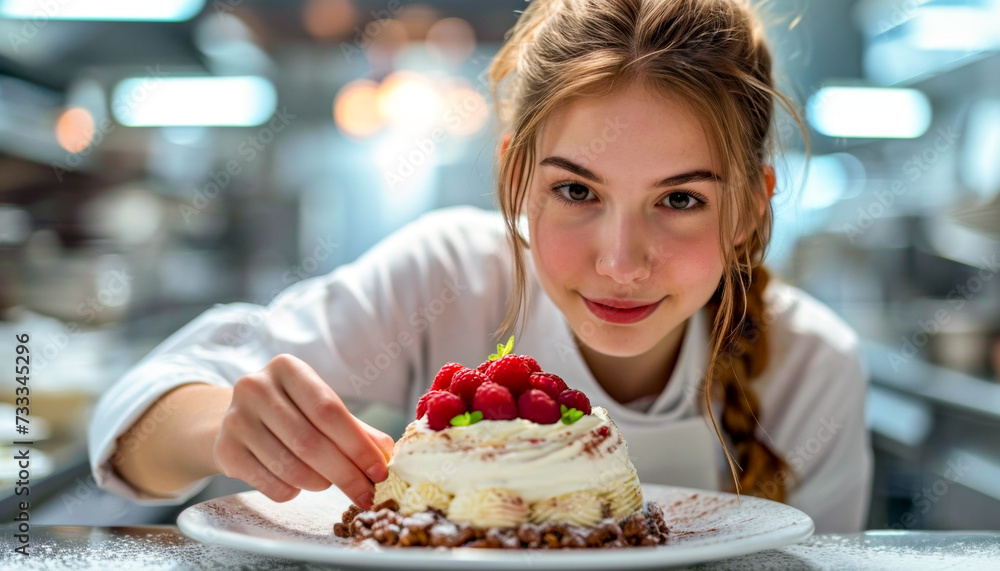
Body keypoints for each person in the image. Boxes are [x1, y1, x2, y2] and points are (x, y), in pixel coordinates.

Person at [90, 0, 872, 534]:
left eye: (680, 200)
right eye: (576, 190)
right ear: (515, 180)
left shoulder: (812, 369)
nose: (620, 260)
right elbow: (132, 420)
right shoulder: (451, 276)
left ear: (749, 208)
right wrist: (223, 431)